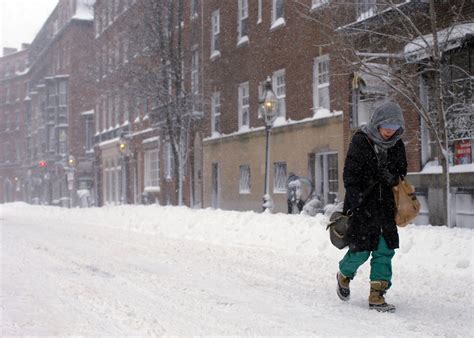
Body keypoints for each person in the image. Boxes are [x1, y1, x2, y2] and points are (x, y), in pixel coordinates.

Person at [336, 102, 407, 313]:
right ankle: (343, 274)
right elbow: (350, 175)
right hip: (362, 206)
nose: (390, 131)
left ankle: (377, 294)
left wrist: (392, 176)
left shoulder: (397, 144)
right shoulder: (361, 141)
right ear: (377, 123)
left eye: (394, 127)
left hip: (386, 207)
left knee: (384, 251)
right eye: (387, 126)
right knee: (360, 251)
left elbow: (402, 172)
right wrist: (356, 202)